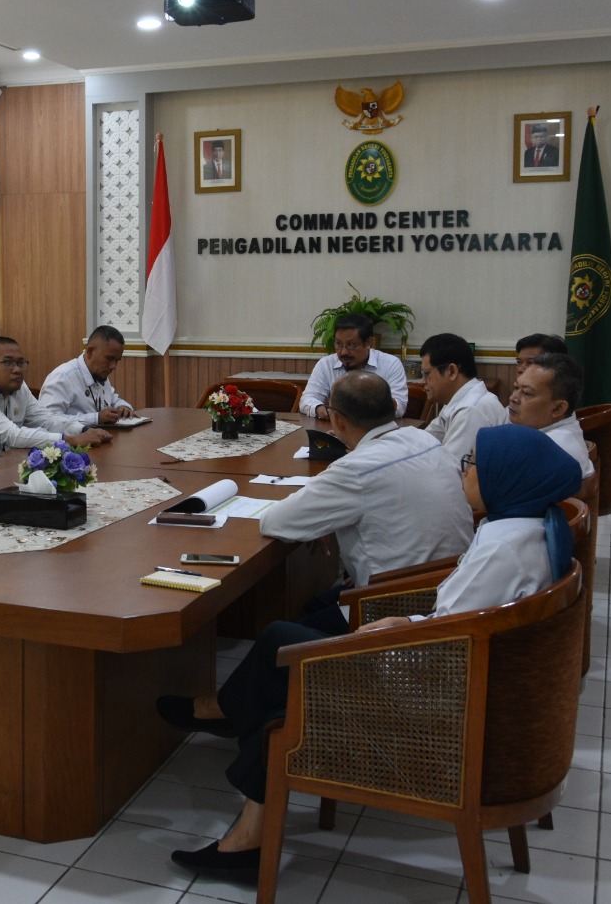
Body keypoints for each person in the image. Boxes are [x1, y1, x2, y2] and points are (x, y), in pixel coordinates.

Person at [167, 423, 581, 878]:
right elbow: (459, 620)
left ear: (506, 477)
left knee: (279, 653)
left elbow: (446, 640)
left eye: (472, 465)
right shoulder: (525, 527)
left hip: (433, 692)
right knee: (284, 650)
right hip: (454, 669)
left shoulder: (503, 549)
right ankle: (238, 759)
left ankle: (247, 835)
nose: (463, 473)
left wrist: (393, 630)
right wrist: (408, 621)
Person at [0, 336, 111, 459]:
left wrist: (83, 430)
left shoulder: (18, 387)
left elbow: (46, 420)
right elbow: (12, 435)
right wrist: (69, 439)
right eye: (7, 362)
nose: (17, 369)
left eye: (20, 362)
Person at [299, 312, 408, 418]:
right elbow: (307, 399)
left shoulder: (390, 364)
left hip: (376, 433)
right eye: (339, 344)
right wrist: (318, 408)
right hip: (336, 431)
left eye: (351, 345)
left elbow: (399, 407)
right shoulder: (326, 364)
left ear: (369, 343)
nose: (343, 352)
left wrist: (355, 414)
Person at [419, 332, 507, 463]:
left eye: (427, 374)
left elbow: (450, 470)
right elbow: (426, 439)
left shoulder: (471, 410)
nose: (422, 381)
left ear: (452, 371)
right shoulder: (458, 400)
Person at [509, 352, 594, 476]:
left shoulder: (553, 450)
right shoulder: (540, 432)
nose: (513, 398)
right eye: (516, 388)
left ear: (558, 408)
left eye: (527, 393)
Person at [37, 325, 135, 428]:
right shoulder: (62, 377)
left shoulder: (99, 374)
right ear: (90, 352)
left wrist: (123, 406)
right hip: (68, 442)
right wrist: (95, 418)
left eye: (117, 361)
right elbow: (46, 421)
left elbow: (112, 399)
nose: (113, 366)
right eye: (109, 359)